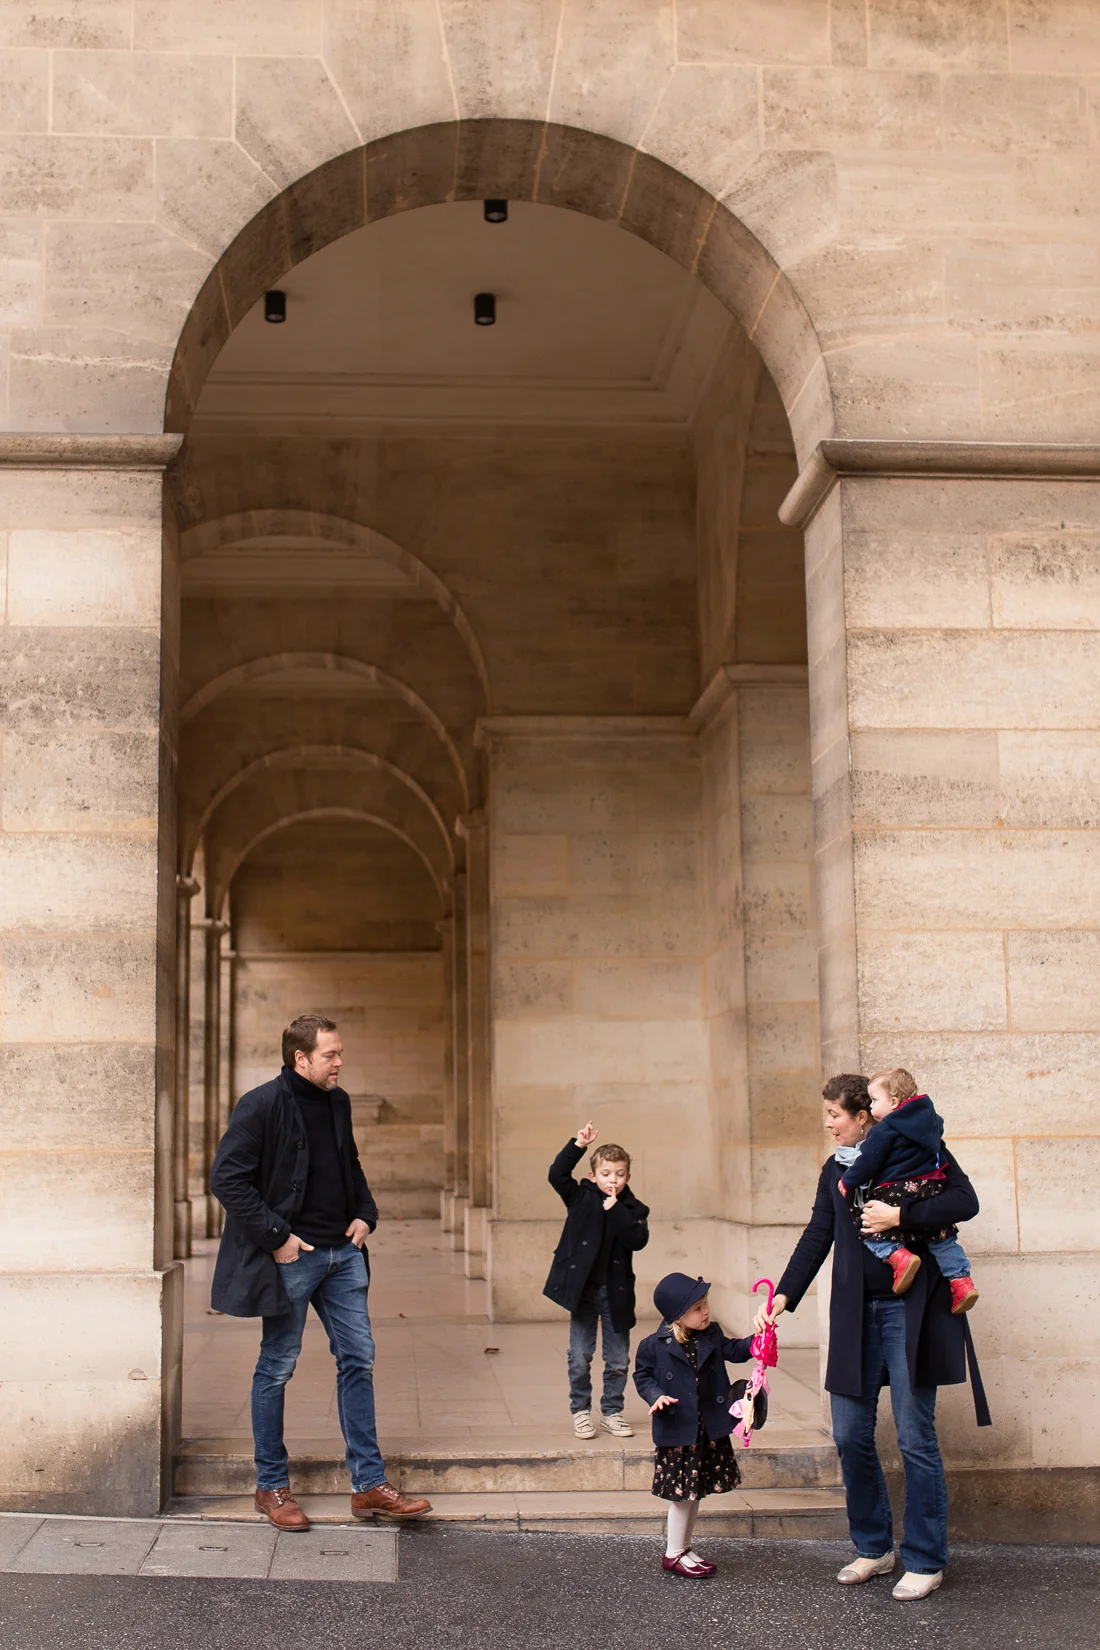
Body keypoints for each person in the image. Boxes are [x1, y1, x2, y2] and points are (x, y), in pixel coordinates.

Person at [755, 1074, 990, 1604]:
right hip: (854, 1314)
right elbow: (818, 1234)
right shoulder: (834, 1171)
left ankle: (925, 1559)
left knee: (914, 1437)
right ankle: (874, 1548)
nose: (828, 1124)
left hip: (912, 1311)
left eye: (834, 1114)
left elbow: (965, 1201)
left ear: (864, 1116)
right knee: (849, 1434)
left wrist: (901, 1214)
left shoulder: (919, 1148)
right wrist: (783, 1296)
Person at [209, 1012, 432, 1531]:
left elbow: (349, 1164)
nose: (339, 1063)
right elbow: (227, 1179)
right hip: (295, 1256)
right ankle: (271, 1486)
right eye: (330, 1055)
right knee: (277, 1366)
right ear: (300, 1058)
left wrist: (366, 1214)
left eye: (339, 1053)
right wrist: (278, 1237)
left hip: (344, 1255)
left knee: (358, 1359)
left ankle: (368, 1485)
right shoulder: (260, 1104)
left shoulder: (338, 1100)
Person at [633, 1273, 753, 1577]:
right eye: (698, 1308)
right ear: (677, 1315)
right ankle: (673, 1553)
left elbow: (734, 1350)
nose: (706, 1311)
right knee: (681, 1496)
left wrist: (759, 1341)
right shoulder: (655, 1345)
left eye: (706, 1304)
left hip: (705, 1429)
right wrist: (656, 1396)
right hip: (679, 1433)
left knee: (694, 1492)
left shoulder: (711, 1335)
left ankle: (683, 1548)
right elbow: (642, 1376)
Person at [838, 1067, 978, 1313]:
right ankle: (961, 1281)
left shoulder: (885, 1130)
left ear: (893, 1103)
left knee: (867, 1225)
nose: (871, 1106)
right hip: (932, 1187)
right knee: (942, 1238)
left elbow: (869, 1161)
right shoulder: (931, 1129)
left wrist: (848, 1181)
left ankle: (898, 1257)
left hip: (897, 1191)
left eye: (874, 1100)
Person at [543, 1122, 650, 1438]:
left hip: (616, 1294)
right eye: (606, 1174)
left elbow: (638, 1240)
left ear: (627, 1177)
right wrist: (578, 1145)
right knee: (579, 1356)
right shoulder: (580, 1197)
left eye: (619, 1174)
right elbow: (556, 1175)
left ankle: (612, 1412)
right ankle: (580, 1410)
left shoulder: (633, 1208)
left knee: (618, 1360)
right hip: (584, 1292)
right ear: (593, 1176)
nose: (612, 1179)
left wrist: (616, 1210)